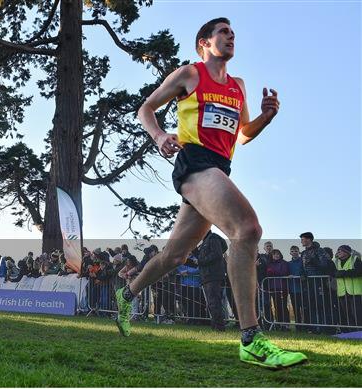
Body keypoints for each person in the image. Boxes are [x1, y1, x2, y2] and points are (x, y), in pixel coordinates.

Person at [114, 17, 306, 369]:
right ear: (204, 43)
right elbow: (146, 108)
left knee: (173, 256)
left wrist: (266, 117)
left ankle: (126, 294)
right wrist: (159, 137)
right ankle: (251, 338)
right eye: (223, 32)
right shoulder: (189, 74)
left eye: (233, 33)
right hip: (194, 162)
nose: (231, 37)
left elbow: (243, 134)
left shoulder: (238, 85)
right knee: (247, 230)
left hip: (218, 169)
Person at [333, 245, 362, 330]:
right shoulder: (336, 262)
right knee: (347, 313)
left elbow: (359, 271)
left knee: (357, 313)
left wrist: (343, 273)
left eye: (340, 251)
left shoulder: (355, 259)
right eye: (338, 251)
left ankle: (360, 330)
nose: (338, 252)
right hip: (342, 292)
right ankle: (351, 331)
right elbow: (333, 272)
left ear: (346, 252)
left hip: (355, 291)